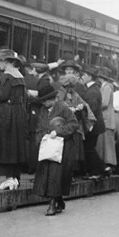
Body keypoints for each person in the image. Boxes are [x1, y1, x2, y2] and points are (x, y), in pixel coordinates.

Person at [0, 49, 28, 190]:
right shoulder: (19, 76)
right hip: (18, 113)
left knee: (6, 145)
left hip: (6, 115)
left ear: (8, 62)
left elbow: (1, 96)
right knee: (14, 146)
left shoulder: (6, 76)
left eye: (0, 61)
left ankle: (9, 179)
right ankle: (14, 178)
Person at [33, 86, 79, 216]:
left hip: (62, 147)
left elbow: (73, 124)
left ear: (52, 99)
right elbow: (39, 126)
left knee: (55, 174)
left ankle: (52, 204)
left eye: (46, 101)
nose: (44, 103)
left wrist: (57, 131)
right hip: (48, 147)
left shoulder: (63, 108)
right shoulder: (43, 109)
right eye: (42, 101)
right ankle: (58, 199)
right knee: (48, 175)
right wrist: (40, 140)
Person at [80, 65, 111, 179]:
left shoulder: (92, 91)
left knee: (88, 148)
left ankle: (98, 170)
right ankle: (101, 169)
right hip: (95, 124)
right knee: (90, 148)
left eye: (83, 75)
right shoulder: (94, 89)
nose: (81, 77)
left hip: (92, 124)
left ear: (89, 76)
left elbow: (91, 109)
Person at [96, 67, 117, 169]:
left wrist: (94, 107)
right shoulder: (105, 87)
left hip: (107, 118)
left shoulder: (107, 87)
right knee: (105, 142)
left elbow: (104, 103)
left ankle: (109, 163)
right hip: (106, 118)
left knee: (107, 143)